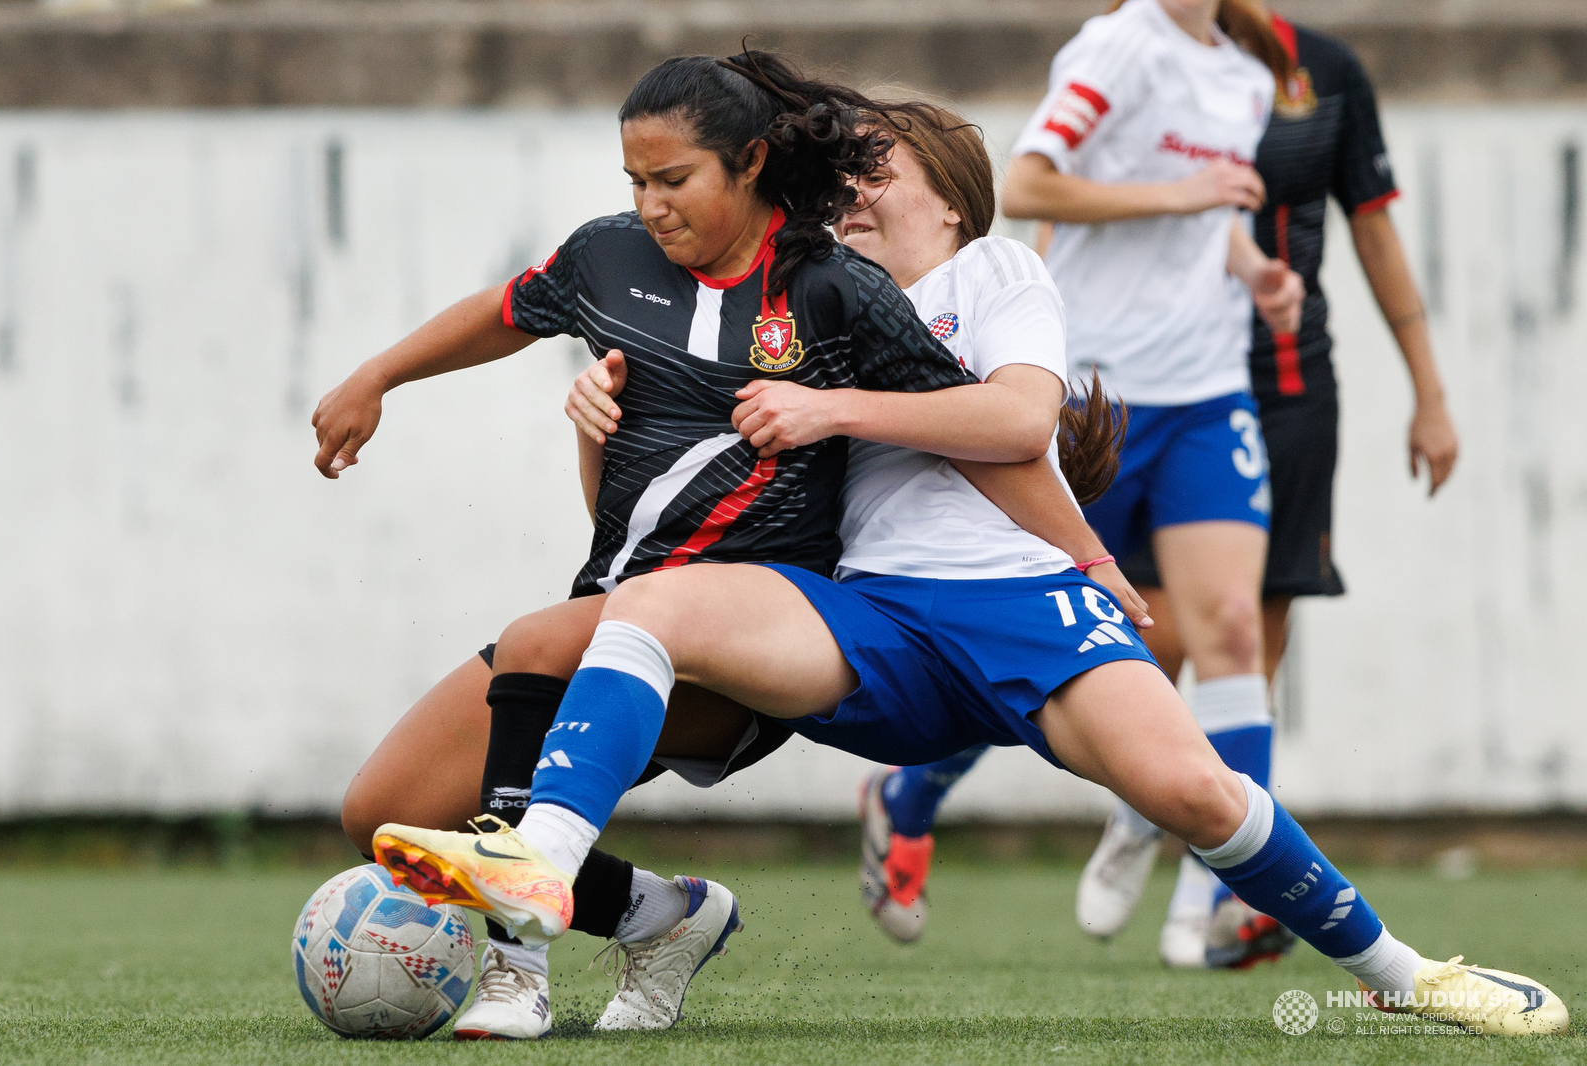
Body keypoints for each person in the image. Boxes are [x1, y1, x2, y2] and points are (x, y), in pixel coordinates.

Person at [371, 78, 1568, 1038]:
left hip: (1018, 610)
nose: (848, 195)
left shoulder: (996, 273)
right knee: (653, 605)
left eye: (875, 172)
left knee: (1196, 793)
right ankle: (549, 874)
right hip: (864, 618)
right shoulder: (816, 302)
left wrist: (1060, 539)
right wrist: (604, 424)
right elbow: (674, 512)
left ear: (949, 198)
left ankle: (1404, 973)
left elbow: (1010, 423)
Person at [318, 54, 1135, 1039]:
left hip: (753, 635)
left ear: (749, 163)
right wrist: (382, 378)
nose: (651, 204)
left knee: (537, 640)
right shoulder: (609, 262)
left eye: (673, 180)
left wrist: (1085, 555)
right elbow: (509, 323)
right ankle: (659, 917)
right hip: (622, 609)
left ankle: (514, 969)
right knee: (387, 810)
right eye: (636, 181)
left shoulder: (838, 294)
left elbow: (991, 433)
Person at [856, 0, 1302, 964]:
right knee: (1050, 630)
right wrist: (1188, 197)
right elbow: (1029, 183)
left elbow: (1200, 213)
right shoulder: (1119, 44)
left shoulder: (1248, 74)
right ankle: (911, 792)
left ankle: (1216, 906)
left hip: (1209, 389)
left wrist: (1253, 265)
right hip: (1098, 390)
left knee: (1226, 626)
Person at [1068, 1, 1462, 969]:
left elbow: (1369, 234)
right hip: (1141, 388)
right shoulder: (1129, 53)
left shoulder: (1318, 73)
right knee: (1136, 639)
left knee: (1245, 637)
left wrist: (1429, 391)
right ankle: (1134, 810)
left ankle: (1204, 906)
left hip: (1280, 395)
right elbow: (1056, 197)